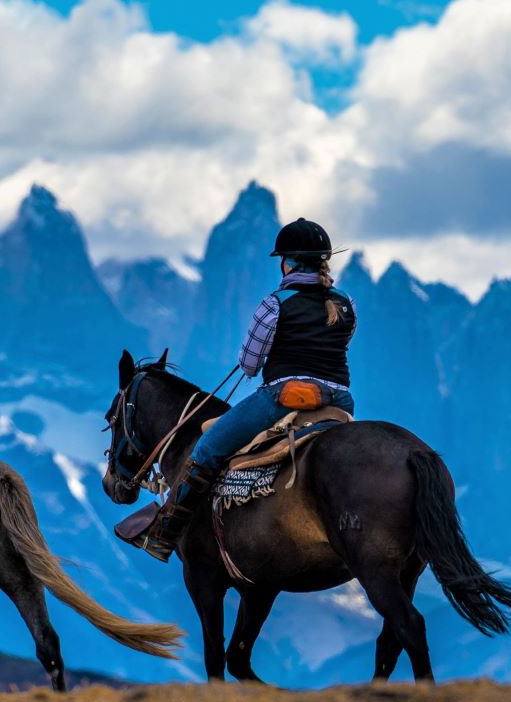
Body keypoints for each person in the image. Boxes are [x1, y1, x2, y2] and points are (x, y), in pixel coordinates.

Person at [133, 218, 357, 561]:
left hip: (286, 397)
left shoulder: (275, 303)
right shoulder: (344, 303)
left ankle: (165, 534)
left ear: (289, 262)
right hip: (339, 401)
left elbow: (250, 365)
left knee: (207, 448)